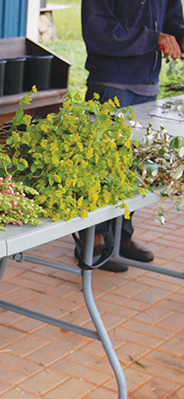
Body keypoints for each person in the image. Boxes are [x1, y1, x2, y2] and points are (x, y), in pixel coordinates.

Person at [80, 0, 184, 272]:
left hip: (148, 84)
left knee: (136, 165)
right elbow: (97, 30)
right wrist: (153, 38)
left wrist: (180, 36)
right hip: (112, 84)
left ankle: (122, 236)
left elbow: (173, 15)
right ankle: (95, 241)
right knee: (103, 165)